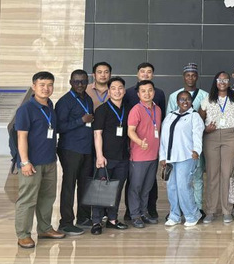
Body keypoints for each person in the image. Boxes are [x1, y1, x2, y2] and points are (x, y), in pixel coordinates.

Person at [14, 71, 66, 248]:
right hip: (32, 163)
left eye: (50, 85)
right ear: (34, 86)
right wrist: (25, 162)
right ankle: (23, 235)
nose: (46, 88)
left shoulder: (50, 106)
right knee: (27, 199)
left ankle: (44, 229)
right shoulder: (26, 109)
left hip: (49, 161)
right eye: (42, 85)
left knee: (47, 198)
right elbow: (21, 136)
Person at [199, 71, 234, 224]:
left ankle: (227, 210)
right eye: (220, 79)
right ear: (216, 81)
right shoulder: (207, 100)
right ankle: (210, 211)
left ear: (229, 82)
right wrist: (206, 129)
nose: (223, 82)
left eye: (225, 80)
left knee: (227, 174)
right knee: (212, 174)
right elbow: (198, 122)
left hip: (230, 137)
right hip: (211, 138)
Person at [123, 62, 166, 221]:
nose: (147, 94)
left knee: (147, 187)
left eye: (150, 91)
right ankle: (134, 215)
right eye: (143, 91)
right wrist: (139, 142)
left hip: (153, 155)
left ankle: (143, 212)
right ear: (138, 94)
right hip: (139, 155)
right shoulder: (136, 109)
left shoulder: (158, 109)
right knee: (136, 187)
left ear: (154, 92)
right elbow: (130, 131)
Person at [55, 70, 95, 235]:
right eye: (77, 81)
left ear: (87, 82)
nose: (80, 84)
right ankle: (65, 222)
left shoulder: (88, 99)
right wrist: (81, 120)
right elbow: (59, 127)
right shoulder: (64, 102)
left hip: (87, 148)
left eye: (83, 81)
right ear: (70, 82)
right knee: (69, 185)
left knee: (85, 184)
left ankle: (83, 218)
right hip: (70, 149)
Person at [166, 63, 209, 214]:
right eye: (187, 75)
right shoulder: (174, 96)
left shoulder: (204, 96)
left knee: (197, 176)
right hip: (178, 145)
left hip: (196, 143)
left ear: (197, 77)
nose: (190, 78)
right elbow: (169, 121)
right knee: (177, 180)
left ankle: (197, 208)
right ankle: (178, 209)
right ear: (183, 77)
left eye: (193, 75)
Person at [90, 76, 130, 235]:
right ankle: (96, 221)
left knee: (117, 189)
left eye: (120, 88)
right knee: (101, 189)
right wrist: (100, 156)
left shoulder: (128, 109)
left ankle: (112, 219)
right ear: (108, 91)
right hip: (105, 157)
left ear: (124, 91)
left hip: (123, 157)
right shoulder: (102, 110)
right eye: (113, 88)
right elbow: (97, 134)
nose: (117, 91)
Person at [160, 91, 205, 227]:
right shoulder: (170, 116)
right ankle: (175, 215)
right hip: (170, 157)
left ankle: (192, 215)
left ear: (191, 101)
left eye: (188, 99)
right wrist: (163, 156)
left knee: (183, 186)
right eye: (182, 99)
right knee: (171, 187)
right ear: (177, 102)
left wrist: (197, 150)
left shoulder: (194, 116)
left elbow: (198, 134)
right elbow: (163, 137)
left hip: (186, 156)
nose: (185, 102)